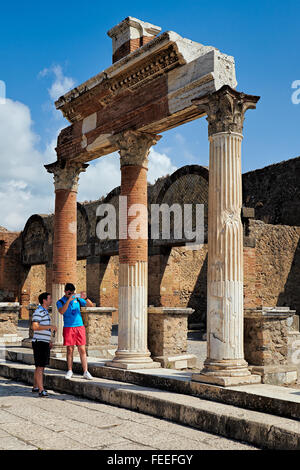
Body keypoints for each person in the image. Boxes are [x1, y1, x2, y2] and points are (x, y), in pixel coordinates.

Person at [57, 283, 94, 380]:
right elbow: (61, 311)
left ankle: (85, 371)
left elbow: (91, 305)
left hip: (79, 326)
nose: (71, 294)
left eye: (72, 292)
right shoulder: (60, 301)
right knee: (70, 350)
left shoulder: (77, 299)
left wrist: (85, 298)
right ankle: (69, 370)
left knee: (82, 349)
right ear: (65, 292)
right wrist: (69, 300)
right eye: (69, 293)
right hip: (68, 327)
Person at [31, 292, 57, 397]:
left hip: (44, 342)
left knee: (40, 366)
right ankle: (41, 390)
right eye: (50, 298)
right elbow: (35, 327)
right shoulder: (39, 311)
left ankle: (35, 386)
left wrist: (49, 340)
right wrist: (50, 327)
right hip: (39, 342)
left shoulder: (45, 312)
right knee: (40, 366)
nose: (51, 300)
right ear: (44, 300)